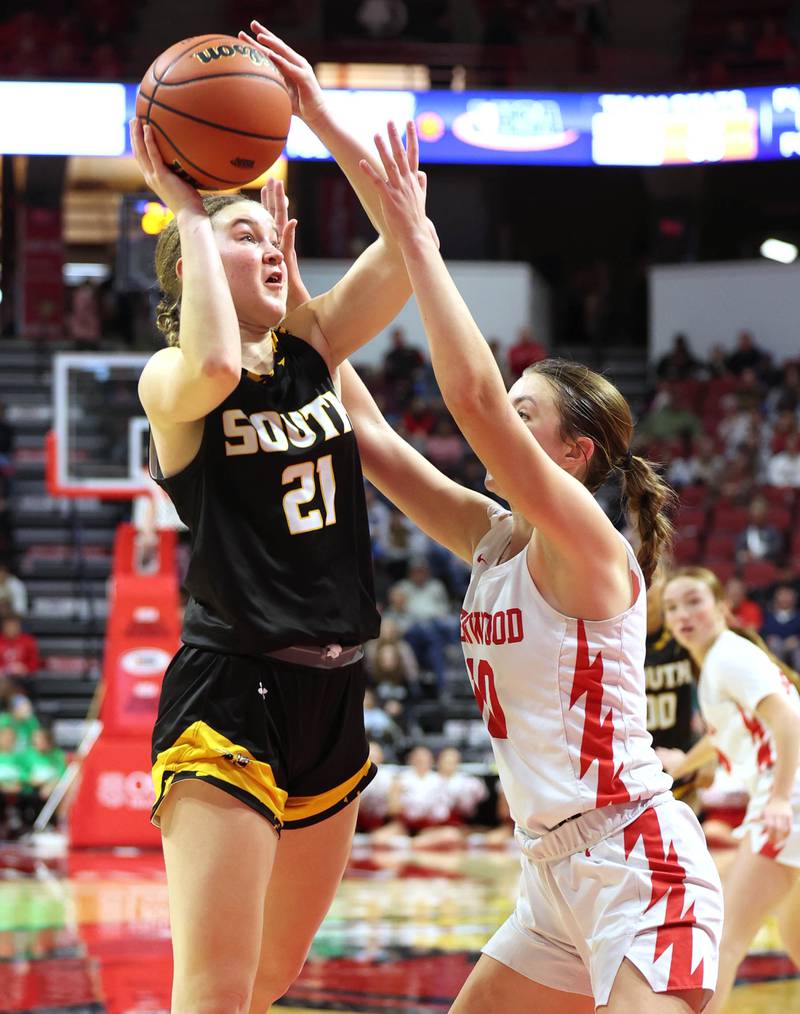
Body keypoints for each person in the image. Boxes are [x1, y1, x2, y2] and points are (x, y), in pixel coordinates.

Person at [336, 122, 723, 1011]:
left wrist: (420, 242)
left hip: (636, 858)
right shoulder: (493, 537)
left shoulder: (589, 543)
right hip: (547, 875)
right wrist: (282, 309)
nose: (502, 425)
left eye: (525, 415)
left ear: (574, 452)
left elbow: (470, 401)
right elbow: (371, 441)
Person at [132, 24, 426, 1013]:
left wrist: (315, 115)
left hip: (333, 697)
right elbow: (216, 364)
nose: (267, 243)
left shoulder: (309, 353)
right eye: (240, 234)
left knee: (270, 980)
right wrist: (182, 200)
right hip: (230, 696)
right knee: (213, 991)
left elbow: (404, 245)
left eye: (270, 232)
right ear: (186, 273)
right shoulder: (173, 383)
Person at [660, 568, 800, 1014]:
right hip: (789, 797)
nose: (683, 613)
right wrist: (684, 763)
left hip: (789, 799)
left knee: (723, 935)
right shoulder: (721, 662)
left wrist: (779, 799)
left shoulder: (728, 657)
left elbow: (789, 721)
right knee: (795, 933)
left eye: (694, 601)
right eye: (673, 607)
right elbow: (723, 734)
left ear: (723, 608)